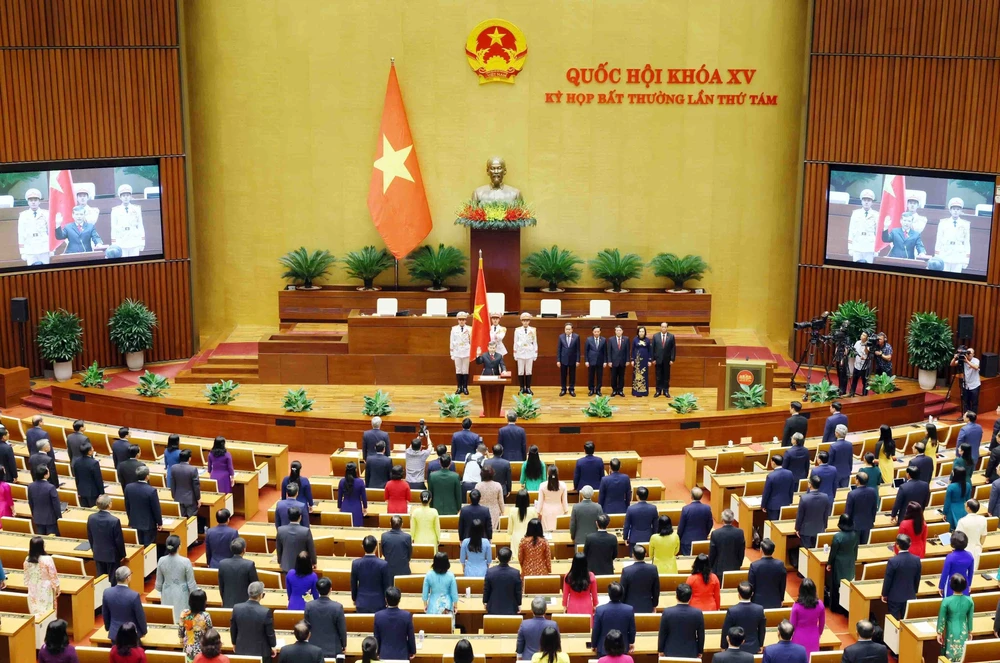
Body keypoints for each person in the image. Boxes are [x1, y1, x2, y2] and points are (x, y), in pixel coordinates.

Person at [231, 582, 277, 663]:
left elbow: (233, 629)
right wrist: (273, 645)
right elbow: (270, 633)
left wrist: (234, 643)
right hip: (261, 653)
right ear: (261, 595)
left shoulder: (236, 608)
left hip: (241, 650)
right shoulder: (265, 612)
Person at [304, 577, 347, 659]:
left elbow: (306, 627)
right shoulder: (337, 607)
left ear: (317, 590)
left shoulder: (309, 606)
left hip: (313, 648)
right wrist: (344, 645)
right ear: (331, 589)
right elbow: (342, 629)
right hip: (333, 649)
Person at [657, 584, 705, 659]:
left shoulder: (667, 612)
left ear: (676, 596)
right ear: (691, 597)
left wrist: (660, 650)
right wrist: (700, 651)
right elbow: (701, 635)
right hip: (691, 652)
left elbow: (662, 633)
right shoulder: (698, 613)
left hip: (670, 651)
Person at [88, 495, 127, 585]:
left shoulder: (91, 518)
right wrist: (122, 554)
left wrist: (94, 550)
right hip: (112, 555)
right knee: (113, 580)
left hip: (98, 553)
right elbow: (119, 540)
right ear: (109, 505)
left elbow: (90, 537)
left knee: (101, 580)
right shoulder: (114, 520)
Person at [157, 535, 197, 621]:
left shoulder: (161, 560)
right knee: (182, 619)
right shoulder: (185, 561)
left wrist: (160, 591)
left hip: (167, 592)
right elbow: (191, 583)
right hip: (182, 592)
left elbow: (158, 584)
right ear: (179, 546)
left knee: (168, 618)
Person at [881, 534, 921, 619]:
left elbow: (888, 579)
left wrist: (884, 594)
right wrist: (914, 592)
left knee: (893, 623)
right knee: (906, 623)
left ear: (897, 545)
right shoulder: (916, 560)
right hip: (910, 595)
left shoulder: (893, 561)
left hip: (894, 597)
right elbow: (917, 578)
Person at [592, 582, 636, 657]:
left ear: (609, 595)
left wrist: (594, 645)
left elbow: (596, 630)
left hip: (603, 648)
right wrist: (631, 642)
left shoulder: (600, 610)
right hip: (623, 647)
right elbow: (632, 629)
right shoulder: (629, 609)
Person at [938, 574, 974, 662]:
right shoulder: (969, 600)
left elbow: (942, 618)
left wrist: (939, 632)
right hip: (963, 629)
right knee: (961, 654)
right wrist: (970, 631)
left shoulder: (946, 601)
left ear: (951, 586)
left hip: (950, 629)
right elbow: (970, 619)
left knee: (950, 654)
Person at [721, 582, 766, 654]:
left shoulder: (732, 611)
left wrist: (723, 646)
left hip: (736, 646)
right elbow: (762, 629)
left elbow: (726, 630)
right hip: (753, 647)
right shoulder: (759, 609)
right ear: (752, 594)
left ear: (738, 594)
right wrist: (760, 644)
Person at [103, 568, 147, 642]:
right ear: (127, 578)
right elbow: (140, 616)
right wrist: (144, 631)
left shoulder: (107, 593)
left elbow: (105, 613)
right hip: (131, 635)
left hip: (115, 633)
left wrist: (108, 628)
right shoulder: (134, 595)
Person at [827, 514, 859, 613]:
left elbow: (833, 552)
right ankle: (845, 607)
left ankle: (836, 607)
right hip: (850, 561)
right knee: (847, 583)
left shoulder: (837, 536)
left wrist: (829, 563)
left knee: (836, 584)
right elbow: (855, 549)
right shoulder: (855, 534)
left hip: (839, 562)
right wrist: (854, 559)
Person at [373, 587, 415, 660]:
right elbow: (411, 637)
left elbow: (376, 637)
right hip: (402, 655)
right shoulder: (407, 616)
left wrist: (377, 652)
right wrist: (413, 651)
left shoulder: (378, 616)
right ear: (399, 600)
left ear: (386, 599)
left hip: (384, 655)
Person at [351, 535, 390, 613]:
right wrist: (387, 601)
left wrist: (354, 598)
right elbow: (387, 585)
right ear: (376, 547)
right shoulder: (383, 564)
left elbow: (353, 584)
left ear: (363, 546)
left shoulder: (355, 563)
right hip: (379, 603)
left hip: (361, 602)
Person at [125, 466, 161, 546]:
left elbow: (127, 506)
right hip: (148, 524)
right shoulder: (151, 491)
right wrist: (159, 523)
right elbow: (156, 509)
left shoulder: (128, 487)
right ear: (147, 476)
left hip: (134, 521)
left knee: (139, 547)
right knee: (149, 548)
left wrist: (130, 519)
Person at [219, 538, 259, 608]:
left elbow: (221, 586)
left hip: (228, 604)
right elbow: (255, 585)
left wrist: (224, 600)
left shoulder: (222, 564)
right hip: (245, 606)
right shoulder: (249, 564)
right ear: (244, 550)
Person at [24, 536, 59, 616]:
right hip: (45, 587)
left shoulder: (27, 559)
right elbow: (53, 575)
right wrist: (57, 587)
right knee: (47, 610)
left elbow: (26, 574)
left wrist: (28, 584)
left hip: (33, 586)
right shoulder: (47, 559)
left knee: (35, 610)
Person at [796, 474, 832, 550]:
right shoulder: (825, 497)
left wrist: (797, 528)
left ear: (810, 484)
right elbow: (826, 514)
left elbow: (800, 515)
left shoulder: (804, 498)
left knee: (805, 553)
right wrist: (825, 526)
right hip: (819, 528)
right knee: (815, 552)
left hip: (805, 530)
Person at [935, 197, 971, 273]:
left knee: (956, 278)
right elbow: (939, 240)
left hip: (958, 255)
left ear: (961, 211)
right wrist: (937, 255)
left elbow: (967, 242)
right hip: (945, 254)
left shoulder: (965, 224)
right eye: (954, 209)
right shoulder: (943, 223)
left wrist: (966, 259)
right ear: (950, 210)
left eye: (958, 209)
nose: (955, 211)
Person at [620, 545, 660, 613]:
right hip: (647, 606)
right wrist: (654, 605)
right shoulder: (653, 569)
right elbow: (656, 590)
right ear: (645, 554)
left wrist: (622, 606)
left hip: (629, 607)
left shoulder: (626, 571)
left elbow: (623, 591)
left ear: (633, 555)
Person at [789, 578, 824, 655]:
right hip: (814, 635)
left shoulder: (796, 606)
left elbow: (792, 625)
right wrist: (818, 634)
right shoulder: (820, 605)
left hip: (798, 636)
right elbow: (822, 624)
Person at [748, 539, 786, 609]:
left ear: (761, 550)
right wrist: (781, 599)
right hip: (775, 601)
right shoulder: (780, 565)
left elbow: (751, 587)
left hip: (757, 602)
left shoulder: (754, 566)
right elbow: (782, 585)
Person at [483, 546, 522, 615]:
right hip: (511, 609)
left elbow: (486, 589)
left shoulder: (490, 572)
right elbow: (518, 591)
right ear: (510, 559)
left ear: (497, 557)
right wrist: (519, 604)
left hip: (493, 608)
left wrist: (485, 602)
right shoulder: (515, 573)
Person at [178, 589, 213, 663]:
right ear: (204, 602)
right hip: (202, 649)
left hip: (188, 648)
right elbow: (210, 633)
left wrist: (182, 641)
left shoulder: (184, 613)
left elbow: (181, 632)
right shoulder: (205, 615)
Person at [276, 507, 316, 572]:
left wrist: (280, 561)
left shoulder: (280, 530)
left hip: (286, 565)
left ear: (288, 517)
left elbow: (279, 548)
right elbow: (311, 549)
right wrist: (314, 562)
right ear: (300, 517)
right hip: (303, 565)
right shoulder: (306, 531)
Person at [110, 184, 145, 257]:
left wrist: (142, 241)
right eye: (123, 195)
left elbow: (140, 225)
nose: (125, 197)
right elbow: (113, 227)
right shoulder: (115, 210)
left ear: (131, 196)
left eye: (127, 195)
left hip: (134, 241)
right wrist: (114, 243)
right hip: (121, 241)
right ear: (120, 197)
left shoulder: (136, 209)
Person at [709, 509, 746, 578]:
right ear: (732, 520)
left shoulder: (716, 534)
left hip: (719, 569)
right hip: (735, 568)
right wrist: (739, 564)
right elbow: (741, 552)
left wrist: (710, 566)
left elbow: (712, 553)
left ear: (722, 519)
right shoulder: (740, 533)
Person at [18, 189, 51, 265]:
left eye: (35, 200)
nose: (33, 202)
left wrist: (52, 249)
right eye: (31, 200)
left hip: (44, 248)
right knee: (32, 273)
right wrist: (22, 252)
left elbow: (50, 232)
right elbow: (21, 234)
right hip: (30, 249)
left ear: (39, 201)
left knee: (46, 271)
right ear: (28, 202)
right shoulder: (23, 215)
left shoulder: (46, 214)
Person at [678, 486, 713, 554]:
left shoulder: (686, 509)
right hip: (702, 539)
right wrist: (705, 533)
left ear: (691, 496)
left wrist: (679, 537)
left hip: (687, 541)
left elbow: (681, 527)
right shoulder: (707, 508)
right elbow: (710, 524)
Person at [562, 552, 598, 619]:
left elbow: (565, 594)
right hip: (587, 605)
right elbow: (594, 595)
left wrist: (564, 606)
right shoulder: (591, 576)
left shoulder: (568, 576)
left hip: (572, 605)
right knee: (587, 627)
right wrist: (595, 605)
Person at [423, 551, 459, 618]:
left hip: (433, 604)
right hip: (447, 605)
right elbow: (454, 593)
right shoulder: (451, 575)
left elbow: (425, 593)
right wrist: (455, 606)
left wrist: (425, 604)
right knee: (447, 625)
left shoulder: (429, 575)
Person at [845, 471, 878, 544]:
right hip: (868, 523)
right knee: (864, 546)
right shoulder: (873, 491)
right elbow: (874, 508)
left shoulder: (852, 494)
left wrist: (846, 526)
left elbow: (848, 512)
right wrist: (872, 520)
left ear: (857, 480)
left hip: (855, 525)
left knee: (854, 547)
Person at [623, 486, 657, 554]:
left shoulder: (631, 509)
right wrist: (654, 537)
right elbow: (656, 525)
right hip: (648, 538)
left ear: (637, 496)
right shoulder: (653, 508)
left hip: (634, 538)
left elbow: (627, 525)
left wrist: (625, 537)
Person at [27, 465, 61, 535]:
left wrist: (34, 514)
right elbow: (56, 504)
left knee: (41, 538)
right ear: (45, 475)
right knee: (51, 540)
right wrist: (59, 517)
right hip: (50, 519)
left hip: (37, 517)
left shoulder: (30, 486)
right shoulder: (51, 487)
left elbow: (31, 502)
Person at [940, 531, 974, 597]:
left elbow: (945, 573)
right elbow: (971, 573)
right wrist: (969, 584)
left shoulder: (950, 557)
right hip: (964, 583)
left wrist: (941, 586)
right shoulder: (970, 556)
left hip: (951, 583)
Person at [848, 188, 877, 262]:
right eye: (864, 200)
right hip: (857, 245)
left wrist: (877, 249)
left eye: (869, 200)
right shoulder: (855, 213)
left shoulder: (876, 215)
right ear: (861, 201)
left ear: (872, 202)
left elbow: (877, 233)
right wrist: (850, 247)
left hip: (870, 247)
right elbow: (851, 230)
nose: (866, 202)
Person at [762, 454, 795, 520]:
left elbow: (767, 492)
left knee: (773, 525)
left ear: (773, 463)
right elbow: (791, 489)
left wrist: (763, 505)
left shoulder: (771, 476)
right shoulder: (790, 473)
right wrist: (790, 501)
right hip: (786, 503)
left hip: (773, 506)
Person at [380, 515, 412, 580]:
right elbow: (409, 554)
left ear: (390, 524)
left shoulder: (384, 536)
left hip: (388, 570)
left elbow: (383, 552)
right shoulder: (407, 537)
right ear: (402, 524)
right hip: (403, 570)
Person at [171, 449, 201, 518]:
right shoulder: (193, 469)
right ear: (189, 458)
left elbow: (173, 484)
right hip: (190, 499)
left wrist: (174, 496)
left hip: (178, 498)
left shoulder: (173, 468)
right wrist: (198, 498)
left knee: (182, 521)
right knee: (191, 520)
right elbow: (196, 486)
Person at [514, 312, 539, 394]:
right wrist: (515, 353)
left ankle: (528, 387)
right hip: (520, 352)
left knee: (528, 371)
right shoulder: (517, 330)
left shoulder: (533, 330)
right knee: (520, 371)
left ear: (529, 321)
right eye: (524, 320)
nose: (525, 322)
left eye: (527, 320)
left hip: (529, 352)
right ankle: (521, 388)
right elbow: (515, 342)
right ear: (521, 321)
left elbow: (535, 342)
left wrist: (535, 353)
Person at [337, 461, 368, 526]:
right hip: (357, 507)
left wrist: (339, 507)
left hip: (345, 506)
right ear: (355, 470)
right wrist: (365, 507)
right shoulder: (360, 482)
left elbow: (339, 497)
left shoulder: (342, 481)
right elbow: (364, 497)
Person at [538, 466, 569, 532]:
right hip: (559, 509)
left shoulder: (542, 485)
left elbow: (540, 501)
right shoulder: (563, 485)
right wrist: (566, 511)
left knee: (546, 532)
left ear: (548, 474)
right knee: (557, 531)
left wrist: (538, 512)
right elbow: (564, 501)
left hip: (546, 510)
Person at [73, 441, 103, 508]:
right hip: (93, 493)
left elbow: (77, 478)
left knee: (85, 511)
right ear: (89, 452)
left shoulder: (76, 462)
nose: (93, 450)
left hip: (82, 491)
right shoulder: (94, 463)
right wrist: (102, 493)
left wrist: (79, 491)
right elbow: (98, 479)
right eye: (92, 449)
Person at [450, 311, 472, 395]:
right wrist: (452, 353)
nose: (461, 321)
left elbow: (472, 341)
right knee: (458, 370)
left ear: (465, 320)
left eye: (463, 320)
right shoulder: (454, 329)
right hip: (457, 351)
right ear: (458, 320)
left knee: (465, 370)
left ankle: (465, 387)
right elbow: (451, 341)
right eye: (460, 320)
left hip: (466, 351)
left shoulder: (470, 329)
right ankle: (459, 387)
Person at [556, 322, 580, 397]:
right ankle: (563, 389)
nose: (568, 331)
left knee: (572, 375)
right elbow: (559, 349)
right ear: (564, 329)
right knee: (563, 375)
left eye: (569, 329)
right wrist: (558, 360)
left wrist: (578, 360)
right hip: (563, 359)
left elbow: (578, 350)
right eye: (566, 329)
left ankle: (571, 389)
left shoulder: (576, 337)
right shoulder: (561, 337)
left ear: (572, 330)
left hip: (573, 359)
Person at [607, 325, 630, 397]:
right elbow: (609, 351)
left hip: (622, 362)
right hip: (613, 362)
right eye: (617, 330)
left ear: (622, 331)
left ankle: (620, 390)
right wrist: (609, 361)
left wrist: (627, 360)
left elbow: (627, 351)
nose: (618, 332)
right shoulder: (611, 339)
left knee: (621, 377)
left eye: (620, 330)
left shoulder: (626, 339)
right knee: (613, 377)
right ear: (615, 331)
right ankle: (614, 390)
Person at [586, 326, 609, 396]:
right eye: (595, 332)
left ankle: (598, 389)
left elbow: (605, 351)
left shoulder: (604, 340)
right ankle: (591, 389)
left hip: (600, 361)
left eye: (598, 332)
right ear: (593, 332)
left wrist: (605, 361)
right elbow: (586, 351)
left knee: (599, 376)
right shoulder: (588, 339)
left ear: (600, 332)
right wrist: (586, 361)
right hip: (591, 361)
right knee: (591, 376)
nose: (596, 333)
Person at [630, 326, 651, 397]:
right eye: (640, 331)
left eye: (643, 331)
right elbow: (632, 350)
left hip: (645, 360)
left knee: (644, 375)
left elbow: (649, 350)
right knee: (636, 375)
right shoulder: (635, 340)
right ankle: (636, 392)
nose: (641, 333)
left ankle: (644, 392)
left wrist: (649, 360)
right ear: (638, 332)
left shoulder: (647, 340)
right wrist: (632, 360)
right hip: (637, 361)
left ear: (645, 332)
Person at [849, 331, 870, 396]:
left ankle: (864, 395)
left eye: (864, 335)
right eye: (862, 334)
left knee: (865, 382)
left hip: (864, 367)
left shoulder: (869, 344)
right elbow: (854, 350)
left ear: (867, 338)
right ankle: (852, 393)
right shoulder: (857, 342)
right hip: (857, 365)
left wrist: (866, 346)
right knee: (854, 380)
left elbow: (867, 354)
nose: (861, 336)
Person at [0, 428, 18, 493]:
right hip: (6, 476)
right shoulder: (7, 448)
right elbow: (12, 463)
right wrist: (15, 476)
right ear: (3, 437)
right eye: (7, 433)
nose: (9, 434)